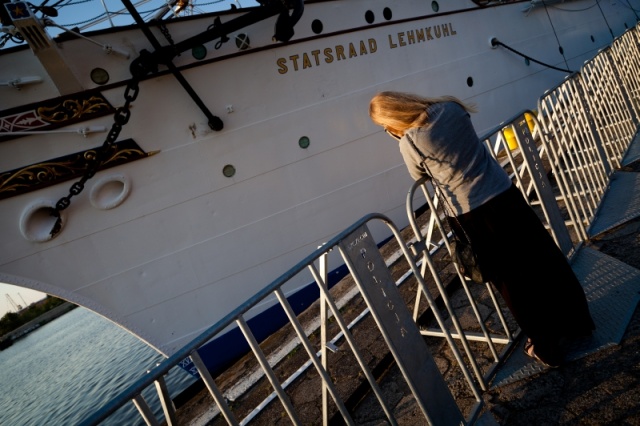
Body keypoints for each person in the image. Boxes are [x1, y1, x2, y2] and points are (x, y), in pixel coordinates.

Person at [369, 91, 595, 367]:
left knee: (512, 280)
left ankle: (546, 347)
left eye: (384, 126)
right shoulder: (450, 108)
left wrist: (399, 137)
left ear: (392, 119)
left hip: (473, 214)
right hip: (504, 193)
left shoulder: (411, 142)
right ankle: (578, 322)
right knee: (543, 258)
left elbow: (419, 175)